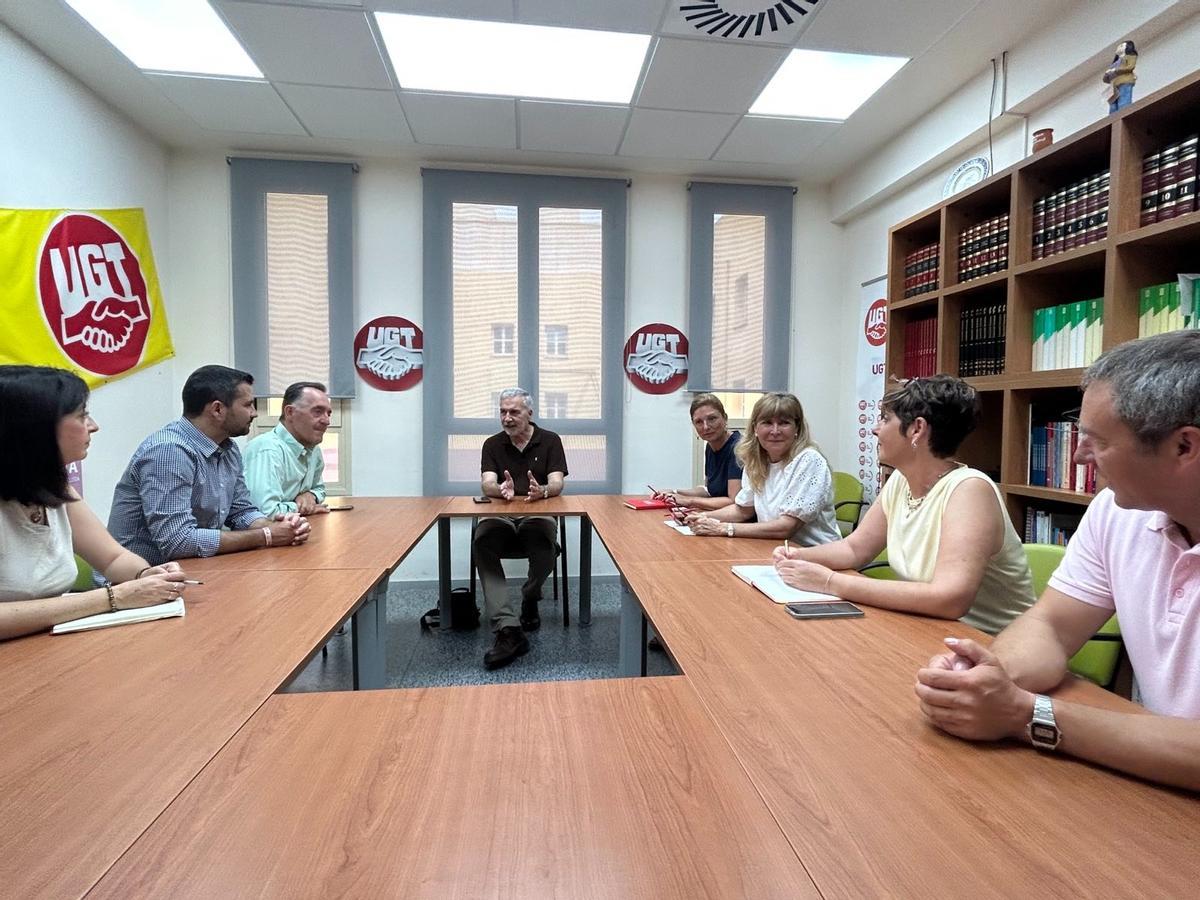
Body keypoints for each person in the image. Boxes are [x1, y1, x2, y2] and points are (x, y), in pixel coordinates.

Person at [914, 332, 1200, 791]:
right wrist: (986, 676)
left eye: (1096, 440)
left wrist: (1027, 715)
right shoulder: (1117, 510)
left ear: (1184, 447)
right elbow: (1050, 624)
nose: (1081, 455)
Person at [774, 375, 1034, 634]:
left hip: (988, 645)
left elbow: (950, 598)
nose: (876, 429)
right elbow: (854, 549)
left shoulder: (969, 490)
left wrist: (829, 581)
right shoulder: (900, 480)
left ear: (917, 429)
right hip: (929, 629)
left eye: (885, 419)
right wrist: (798, 557)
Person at [0, 366, 190, 640]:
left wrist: (147, 574)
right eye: (82, 415)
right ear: (35, 429)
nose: (94, 426)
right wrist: (112, 597)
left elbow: (113, 558)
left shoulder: (53, 488)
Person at [108, 365, 310, 566]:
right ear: (217, 409)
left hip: (191, 570)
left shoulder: (228, 449)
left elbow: (240, 511)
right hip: (137, 583)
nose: (254, 413)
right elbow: (177, 542)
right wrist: (266, 535)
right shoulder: (170, 451)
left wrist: (279, 526)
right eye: (248, 405)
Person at [474, 388, 568, 670]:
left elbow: (557, 483)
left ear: (529, 413)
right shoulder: (492, 444)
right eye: (503, 411)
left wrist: (543, 491)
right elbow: (486, 483)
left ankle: (530, 595)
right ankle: (508, 628)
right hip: (500, 514)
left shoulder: (550, 440)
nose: (507, 418)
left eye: (514, 412)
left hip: (537, 513)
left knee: (544, 546)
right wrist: (498, 488)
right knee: (482, 542)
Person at [684, 392, 839, 543]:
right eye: (767, 423)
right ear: (755, 429)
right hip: (774, 549)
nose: (775, 431)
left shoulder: (808, 460)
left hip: (815, 555)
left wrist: (725, 528)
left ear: (797, 428)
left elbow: (786, 527)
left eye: (784, 423)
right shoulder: (756, 461)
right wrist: (703, 517)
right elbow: (742, 510)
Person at [244, 381, 332, 517]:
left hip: (295, 530)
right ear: (290, 412)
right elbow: (264, 512)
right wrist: (299, 507)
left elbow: (319, 489)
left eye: (328, 413)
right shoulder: (267, 449)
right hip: (263, 535)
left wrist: (311, 496)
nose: (326, 421)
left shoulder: (313, 449)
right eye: (318, 412)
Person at [653, 393, 743, 512]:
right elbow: (709, 491)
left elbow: (733, 500)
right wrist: (674, 492)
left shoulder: (738, 448)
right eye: (699, 422)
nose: (706, 427)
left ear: (725, 418)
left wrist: (689, 501)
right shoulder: (710, 447)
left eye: (712, 419)